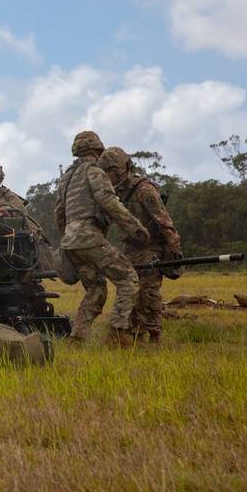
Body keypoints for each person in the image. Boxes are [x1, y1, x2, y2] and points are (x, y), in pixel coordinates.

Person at [53, 131, 149, 346]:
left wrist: (72, 234)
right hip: (88, 238)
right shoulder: (95, 171)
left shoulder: (66, 177)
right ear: (97, 150)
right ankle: (117, 334)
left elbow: (58, 215)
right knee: (128, 279)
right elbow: (108, 202)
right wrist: (134, 226)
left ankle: (78, 336)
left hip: (70, 242)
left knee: (96, 289)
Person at [98, 146, 182, 345]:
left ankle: (154, 338)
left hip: (151, 246)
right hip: (131, 249)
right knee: (129, 291)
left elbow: (163, 221)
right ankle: (136, 336)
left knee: (147, 291)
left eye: (110, 171)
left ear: (121, 168)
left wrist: (173, 250)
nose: (108, 176)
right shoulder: (113, 194)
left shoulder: (144, 189)